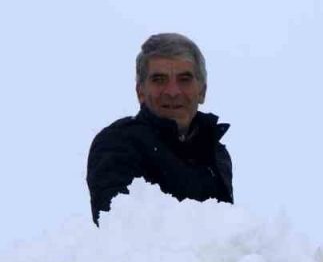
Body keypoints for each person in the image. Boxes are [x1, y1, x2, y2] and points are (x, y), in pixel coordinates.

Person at [87, 33, 234, 223]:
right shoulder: (118, 144)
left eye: (184, 79)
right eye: (159, 79)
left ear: (202, 91)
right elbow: (121, 227)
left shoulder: (216, 153)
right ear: (140, 91)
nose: (173, 92)